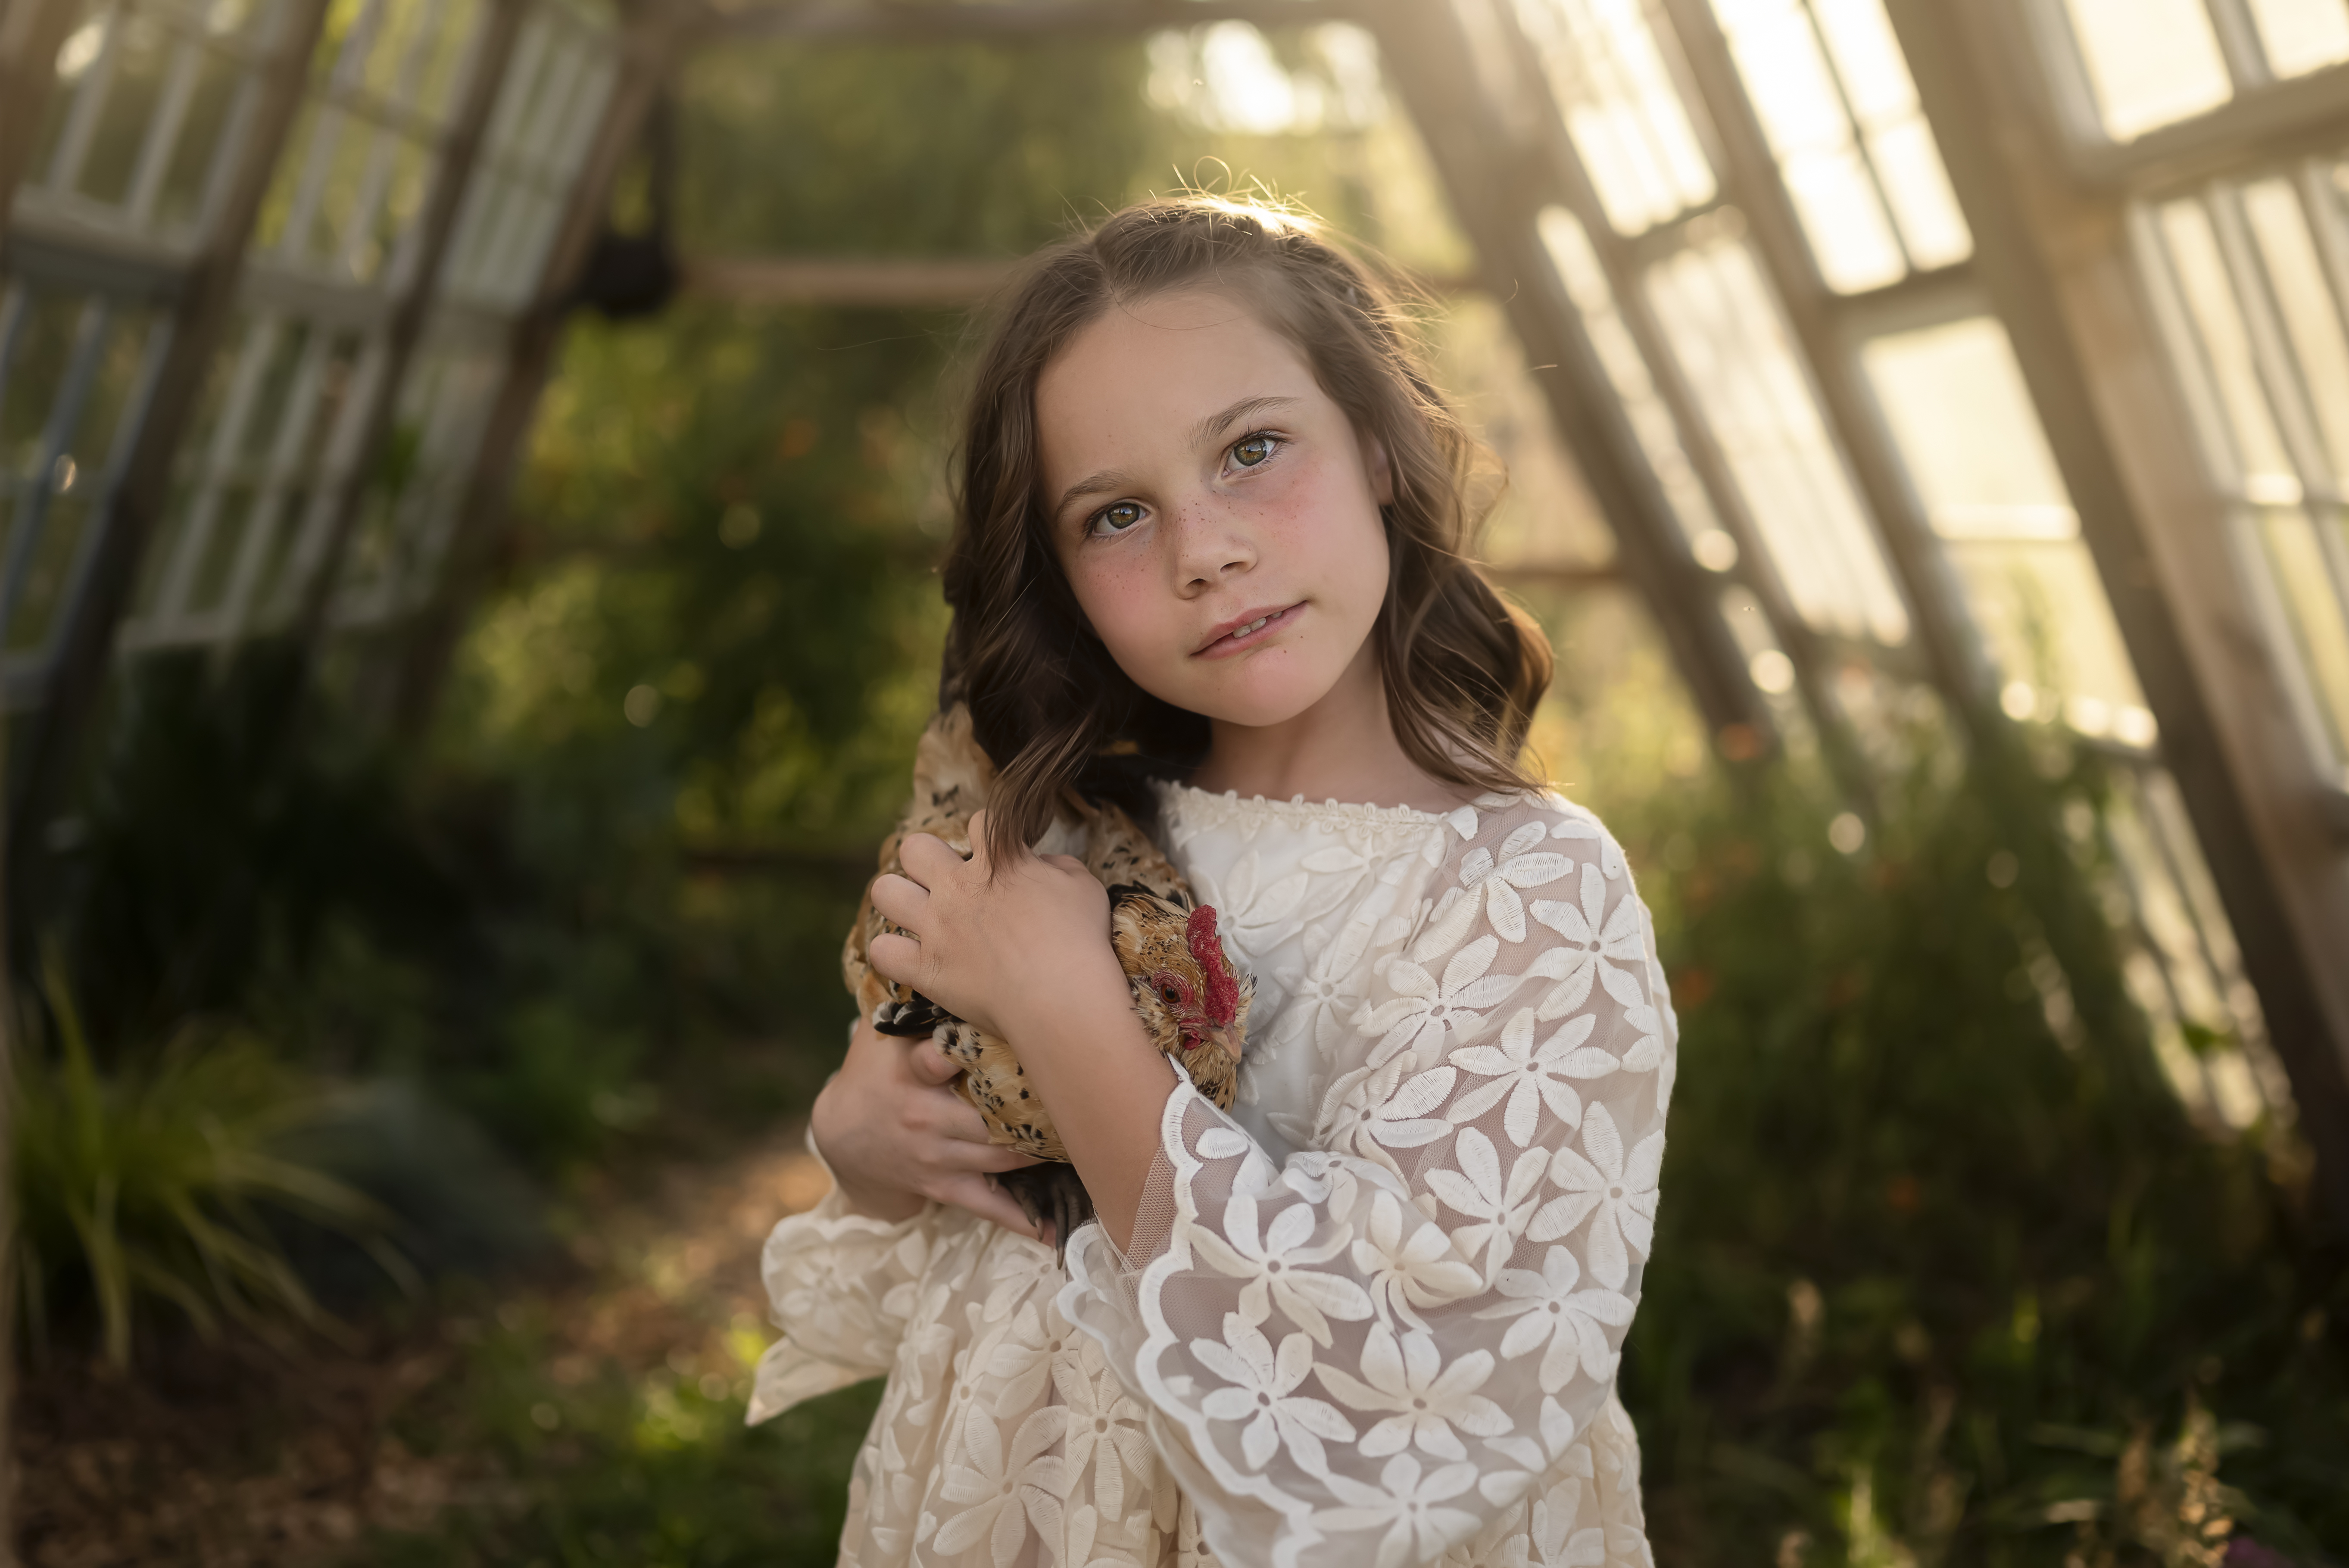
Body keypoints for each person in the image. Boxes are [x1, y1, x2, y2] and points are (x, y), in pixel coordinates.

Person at [750, 195, 1676, 1568]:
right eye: (1117, 513)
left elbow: (1393, 1392)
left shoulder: (1525, 895)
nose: (1204, 551)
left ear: (1376, 440)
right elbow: (942, 1221)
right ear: (1057, 573)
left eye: (1251, 451)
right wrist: (865, 1144)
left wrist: (1068, 1004)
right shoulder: (1050, 829)